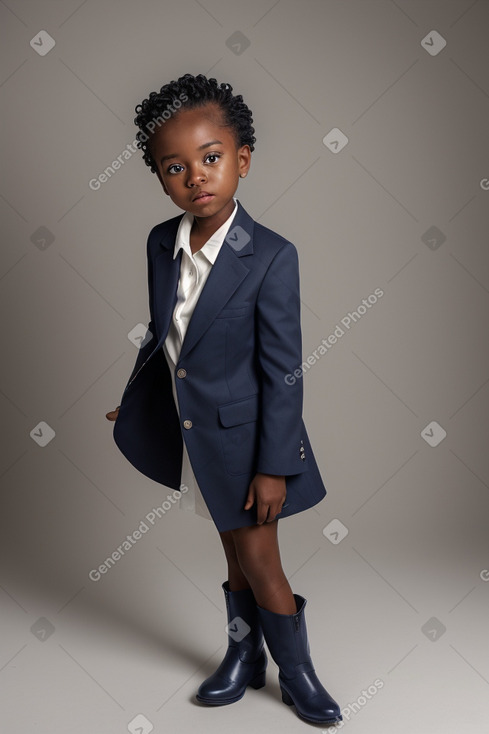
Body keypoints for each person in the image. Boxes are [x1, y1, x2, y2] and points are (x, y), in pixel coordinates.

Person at [106, 73, 342, 726]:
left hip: (248, 441)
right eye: (173, 167)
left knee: (261, 559)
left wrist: (274, 465)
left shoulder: (269, 257)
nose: (195, 178)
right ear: (158, 176)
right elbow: (167, 336)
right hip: (196, 435)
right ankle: (245, 659)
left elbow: (284, 371)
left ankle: (298, 676)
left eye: (210, 159)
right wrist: (139, 400)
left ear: (241, 159)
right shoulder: (161, 243)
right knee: (233, 553)